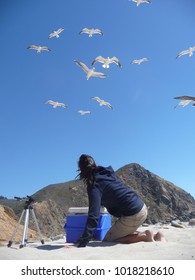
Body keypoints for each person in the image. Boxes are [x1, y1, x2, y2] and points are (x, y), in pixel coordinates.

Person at [68, 154, 165, 248]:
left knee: (108, 240)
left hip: (133, 214)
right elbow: (113, 193)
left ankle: (145, 236)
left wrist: (83, 241)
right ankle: (157, 235)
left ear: (81, 170)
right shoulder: (107, 174)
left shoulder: (94, 184)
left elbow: (94, 215)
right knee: (120, 233)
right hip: (141, 207)